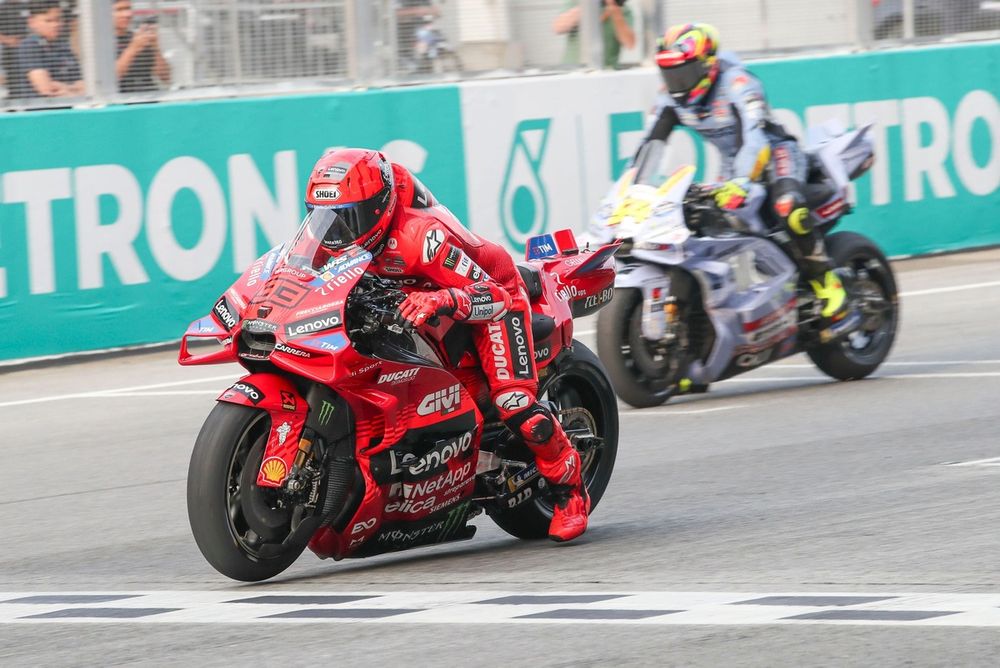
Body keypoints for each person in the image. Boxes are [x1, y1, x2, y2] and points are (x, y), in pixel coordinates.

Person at [303, 148, 591, 542]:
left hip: (486, 299)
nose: (335, 231)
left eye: (346, 219)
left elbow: (493, 295)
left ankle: (570, 491)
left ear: (377, 209)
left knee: (514, 403)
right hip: (416, 300)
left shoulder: (421, 238)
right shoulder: (334, 237)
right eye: (324, 218)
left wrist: (442, 299)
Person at [638, 23, 858, 339]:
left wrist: (741, 181)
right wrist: (635, 188)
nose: (677, 82)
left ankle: (829, 285)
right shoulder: (669, 99)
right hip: (733, 164)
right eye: (670, 72)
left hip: (775, 154)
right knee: (697, 224)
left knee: (788, 208)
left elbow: (755, 137)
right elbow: (648, 144)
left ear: (708, 64)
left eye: (684, 71)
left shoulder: (738, 82)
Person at [12, 0, 80, 99]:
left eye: (58, 19)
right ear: (32, 22)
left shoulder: (63, 46)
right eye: (48, 21)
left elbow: (83, 84)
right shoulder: (30, 45)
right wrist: (74, 90)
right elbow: (46, 88)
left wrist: (68, 89)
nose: (56, 24)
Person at [553, 0, 635, 69]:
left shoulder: (624, 9)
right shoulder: (577, 2)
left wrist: (615, 11)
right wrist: (588, 5)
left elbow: (629, 44)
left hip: (606, 72)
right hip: (573, 70)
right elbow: (558, 27)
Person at [113, 0, 169, 93]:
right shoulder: (100, 44)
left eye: (128, 9)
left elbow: (165, 77)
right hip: (122, 98)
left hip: (149, 96)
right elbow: (109, 79)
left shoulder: (138, 38)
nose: (127, 14)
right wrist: (133, 49)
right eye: (119, 10)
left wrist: (155, 46)